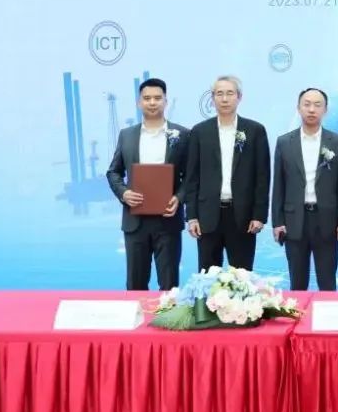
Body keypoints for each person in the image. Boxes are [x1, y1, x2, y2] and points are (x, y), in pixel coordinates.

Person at [105, 78, 188, 290]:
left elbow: (191, 176)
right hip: (135, 221)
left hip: (168, 221)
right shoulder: (126, 135)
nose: (152, 102)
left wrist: (179, 198)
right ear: (139, 102)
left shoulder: (183, 134)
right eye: (147, 98)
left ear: (165, 102)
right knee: (135, 285)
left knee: (169, 287)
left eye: (157, 98)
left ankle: (167, 313)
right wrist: (124, 193)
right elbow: (113, 172)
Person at [182, 75, 270, 270]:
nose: (224, 99)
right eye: (219, 94)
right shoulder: (199, 132)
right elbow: (192, 177)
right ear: (212, 98)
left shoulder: (254, 130)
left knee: (242, 277)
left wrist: (259, 215)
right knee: (207, 276)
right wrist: (192, 216)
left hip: (243, 217)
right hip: (207, 216)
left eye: (230, 93)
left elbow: (262, 176)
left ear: (239, 97)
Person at [271, 88, 338, 290]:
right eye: (306, 104)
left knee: (327, 282)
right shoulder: (284, 142)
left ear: (325, 110)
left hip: (327, 220)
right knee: (297, 283)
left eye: (317, 105)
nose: (312, 109)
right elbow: (279, 185)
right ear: (298, 108)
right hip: (294, 220)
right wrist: (278, 222)